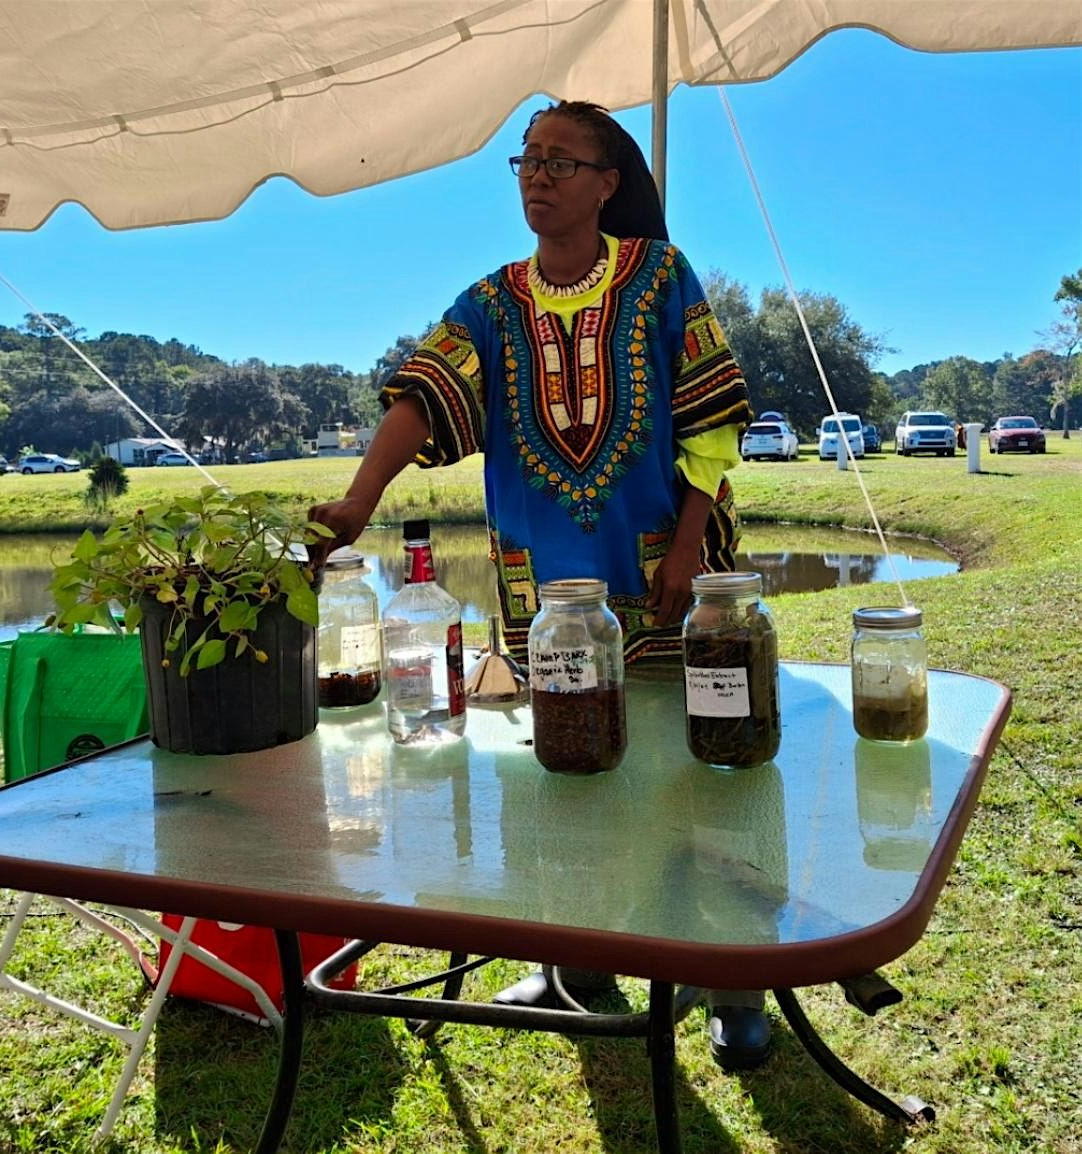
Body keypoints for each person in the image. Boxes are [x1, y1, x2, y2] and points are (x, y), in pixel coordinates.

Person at [310, 100, 770, 1071]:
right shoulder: (489, 304)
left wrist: (688, 544)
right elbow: (421, 397)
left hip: (664, 579)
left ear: (607, 182)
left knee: (703, 768)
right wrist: (358, 498)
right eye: (526, 161)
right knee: (567, 772)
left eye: (561, 162)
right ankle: (580, 963)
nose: (537, 176)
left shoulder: (658, 278)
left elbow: (710, 420)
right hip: (545, 596)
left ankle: (734, 976)